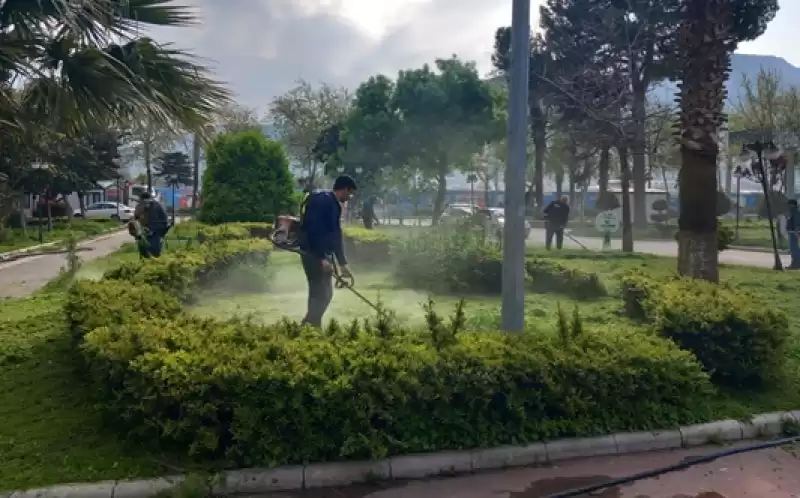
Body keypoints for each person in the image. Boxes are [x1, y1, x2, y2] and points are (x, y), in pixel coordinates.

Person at [298, 175, 357, 327]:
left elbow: (335, 234)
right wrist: (321, 258)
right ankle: (310, 325)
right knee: (319, 292)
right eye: (350, 193)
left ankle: (310, 324)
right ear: (344, 189)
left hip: (322, 254)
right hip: (312, 253)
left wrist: (342, 263)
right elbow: (313, 229)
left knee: (325, 293)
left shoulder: (333, 204)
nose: (349, 197)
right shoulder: (322, 200)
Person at [131, 191, 169, 258]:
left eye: (141, 199)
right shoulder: (148, 205)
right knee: (145, 251)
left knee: (153, 252)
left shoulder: (154, 206)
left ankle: (151, 263)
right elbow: (136, 218)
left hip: (154, 232)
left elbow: (158, 219)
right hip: (146, 232)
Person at [788, 199, 800, 269]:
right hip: (792, 232)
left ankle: (796, 263)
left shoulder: (795, 212)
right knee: (794, 248)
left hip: (793, 232)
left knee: (794, 249)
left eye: (789, 204)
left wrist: (797, 231)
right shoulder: (793, 212)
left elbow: (797, 223)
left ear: (792, 204)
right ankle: (795, 263)